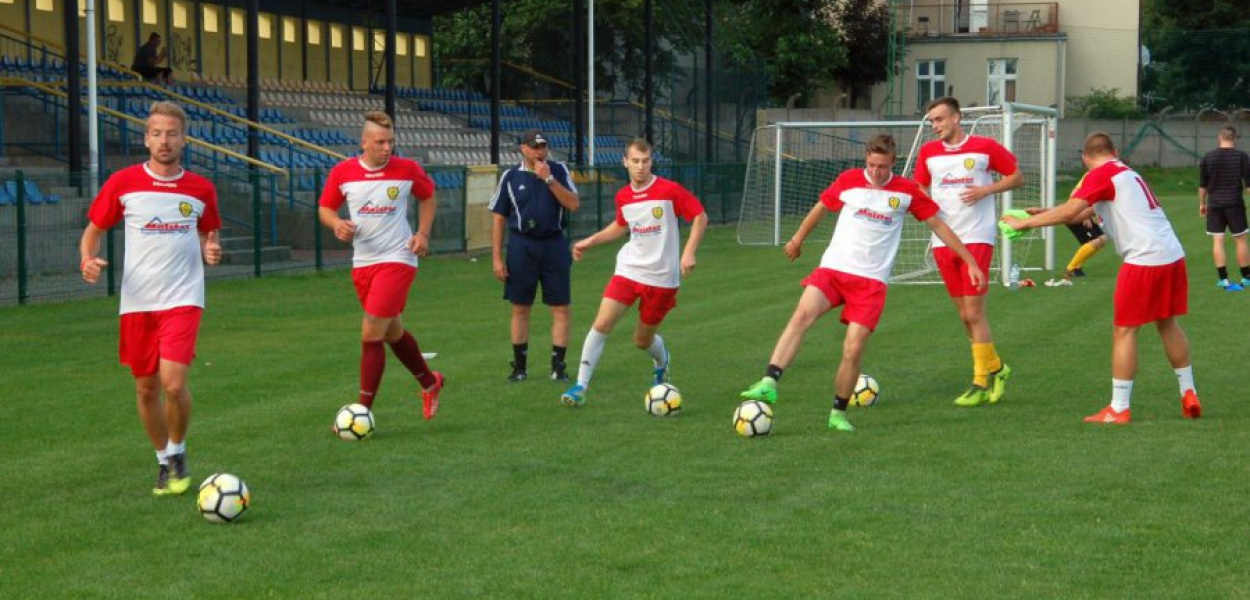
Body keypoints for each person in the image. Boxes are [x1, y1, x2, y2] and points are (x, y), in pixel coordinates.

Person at [740, 135, 985, 431]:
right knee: (802, 315)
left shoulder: (907, 191)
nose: (876, 171)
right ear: (865, 160)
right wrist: (797, 239)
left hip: (871, 282)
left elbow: (939, 226)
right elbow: (821, 207)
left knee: (853, 348)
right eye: (871, 164)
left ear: (893, 162)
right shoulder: (849, 180)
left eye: (882, 166)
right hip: (834, 269)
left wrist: (970, 262)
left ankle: (838, 414)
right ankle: (770, 381)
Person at [1002, 133, 1201, 424]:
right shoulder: (1127, 172)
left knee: (1125, 332)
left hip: (1143, 259)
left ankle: (1118, 408)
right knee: (1168, 323)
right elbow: (1088, 210)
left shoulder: (1101, 173)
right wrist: (1045, 212)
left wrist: (1025, 223)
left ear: (1085, 158)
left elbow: (1073, 209)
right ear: (1115, 151)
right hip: (1172, 255)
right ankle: (1189, 392)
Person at [78, 101, 222, 496]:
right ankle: (164, 461)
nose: (164, 140)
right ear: (146, 138)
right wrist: (87, 260)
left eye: (171, 133)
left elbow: (209, 234)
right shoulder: (123, 183)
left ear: (183, 139)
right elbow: (92, 232)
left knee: (173, 385)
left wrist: (212, 250)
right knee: (146, 390)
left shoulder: (201, 189)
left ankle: (178, 451)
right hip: (138, 301)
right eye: (156, 133)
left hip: (183, 297)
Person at [559, 138, 707, 407]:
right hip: (628, 270)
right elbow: (621, 226)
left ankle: (662, 361)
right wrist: (589, 241)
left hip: (662, 278)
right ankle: (580, 386)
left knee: (642, 340)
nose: (640, 167)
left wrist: (689, 252)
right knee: (601, 323)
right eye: (635, 161)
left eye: (646, 161)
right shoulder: (623, 196)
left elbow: (699, 215)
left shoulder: (669, 190)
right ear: (625, 162)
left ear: (652, 161)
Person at [318, 110, 444, 422]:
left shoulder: (407, 169)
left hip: (398, 259)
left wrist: (423, 234)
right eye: (380, 142)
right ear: (364, 142)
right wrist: (336, 223)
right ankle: (430, 383)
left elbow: (428, 198)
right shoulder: (343, 172)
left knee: (371, 331)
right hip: (363, 263)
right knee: (392, 332)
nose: (387, 148)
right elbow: (325, 207)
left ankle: (361, 413)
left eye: (390, 141)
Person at [914, 96, 1024, 407]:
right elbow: (920, 186)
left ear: (957, 118)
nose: (935, 126)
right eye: (932, 121)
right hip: (943, 240)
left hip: (977, 237)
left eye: (940, 119)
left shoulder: (985, 147)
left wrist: (986, 190)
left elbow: (1018, 176)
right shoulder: (928, 153)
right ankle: (998, 368)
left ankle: (980, 381)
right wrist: (926, 204)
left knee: (975, 312)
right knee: (964, 314)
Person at [489, 129, 580, 383]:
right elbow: (498, 217)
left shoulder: (559, 170)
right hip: (521, 246)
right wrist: (497, 257)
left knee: (561, 306)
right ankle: (519, 367)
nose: (540, 152)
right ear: (523, 149)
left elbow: (573, 204)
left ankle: (558, 367)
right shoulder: (510, 176)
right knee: (520, 307)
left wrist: (549, 180)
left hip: (553, 244)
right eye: (535, 147)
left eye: (543, 146)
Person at [1198, 125, 1250, 291]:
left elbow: (1203, 185)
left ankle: (1224, 280)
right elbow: (1248, 186)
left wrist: (1202, 204)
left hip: (1215, 204)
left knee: (1218, 240)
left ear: (1219, 137)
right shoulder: (1241, 156)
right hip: (1235, 203)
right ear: (1234, 139)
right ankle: (1246, 277)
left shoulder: (1208, 157)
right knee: (1240, 239)